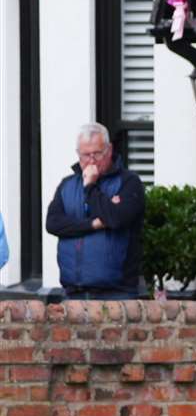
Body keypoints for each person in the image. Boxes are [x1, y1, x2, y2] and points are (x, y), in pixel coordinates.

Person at [45, 123, 145, 299]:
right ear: (78, 153)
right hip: (74, 292)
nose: (91, 161)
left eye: (97, 154)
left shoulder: (129, 182)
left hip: (118, 293)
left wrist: (90, 186)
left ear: (109, 149)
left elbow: (116, 219)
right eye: (85, 155)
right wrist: (94, 223)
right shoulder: (67, 184)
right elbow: (53, 224)